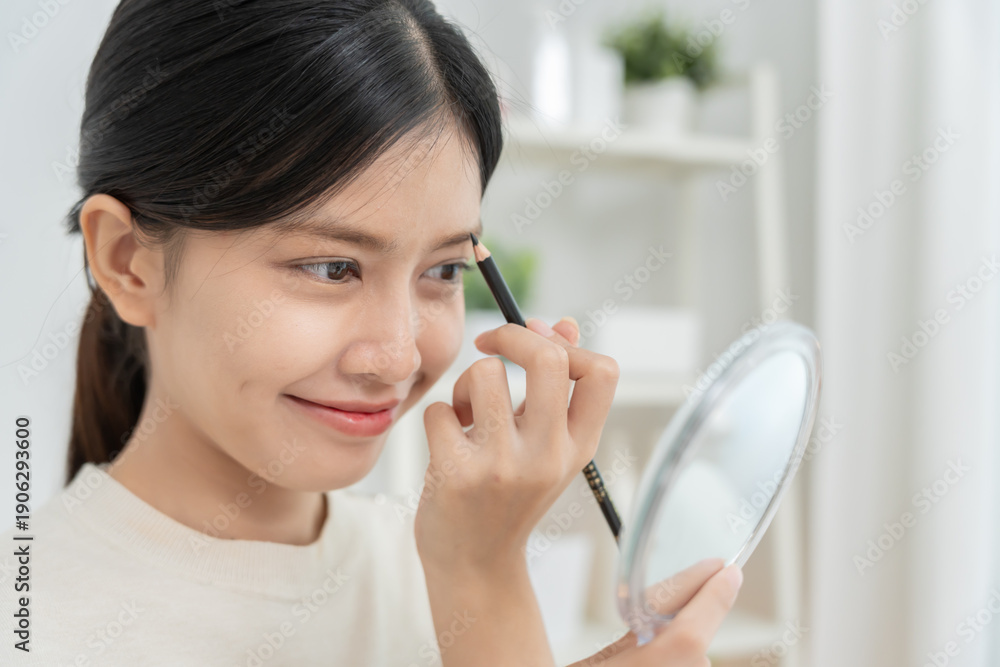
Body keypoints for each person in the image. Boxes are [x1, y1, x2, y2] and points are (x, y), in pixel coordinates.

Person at [0, 0, 743, 664]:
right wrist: (482, 577)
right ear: (127, 262)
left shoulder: (436, 562)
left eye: (444, 270)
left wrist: (484, 582)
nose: (396, 357)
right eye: (332, 267)